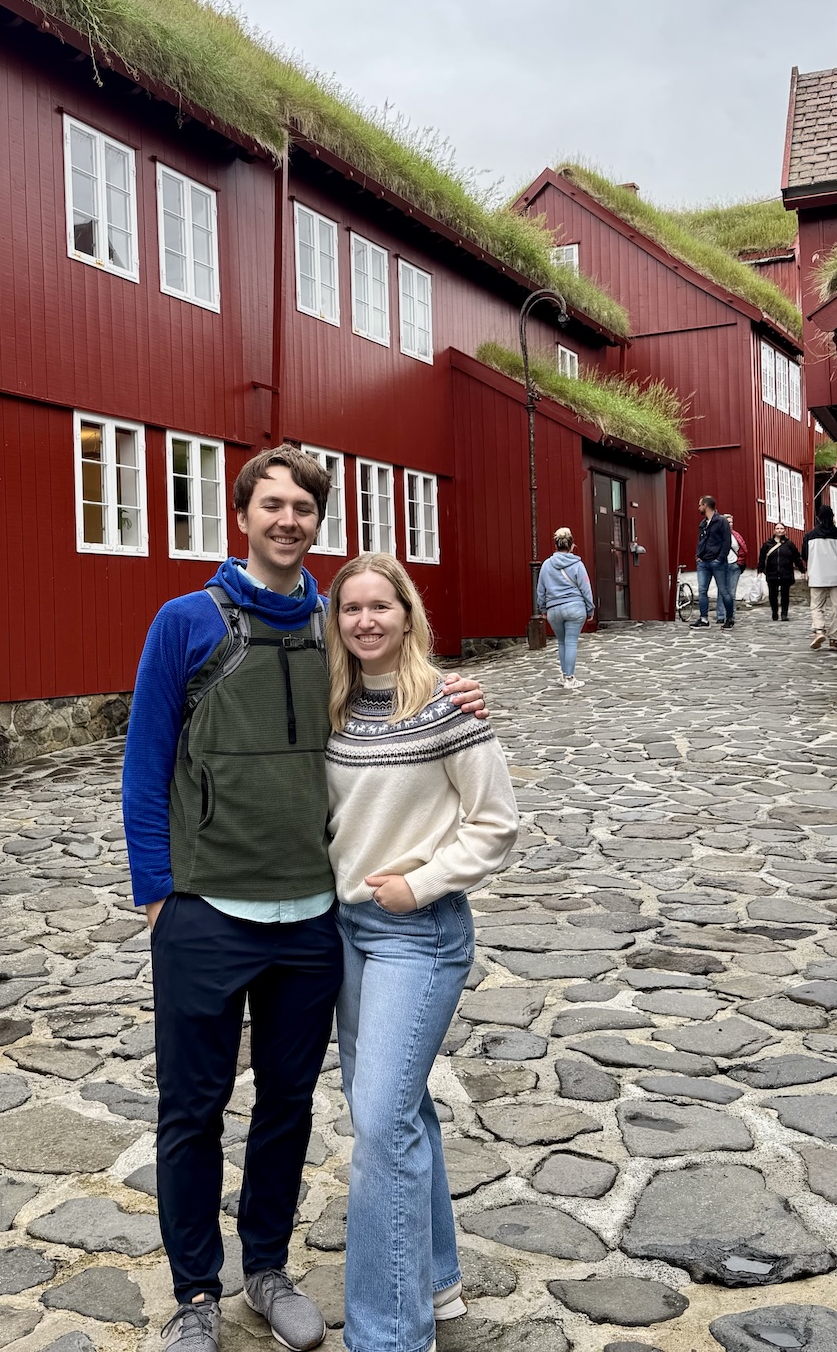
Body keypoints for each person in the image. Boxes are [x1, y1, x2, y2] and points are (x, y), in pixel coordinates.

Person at [121, 446, 487, 1352]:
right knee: (192, 1110)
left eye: (304, 509)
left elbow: (397, 678)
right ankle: (195, 1294)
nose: (288, 521)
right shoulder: (186, 622)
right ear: (242, 514)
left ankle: (267, 1270)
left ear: (317, 522)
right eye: (272, 505)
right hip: (205, 912)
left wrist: (455, 693)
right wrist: (159, 897)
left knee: (286, 1106)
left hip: (311, 920)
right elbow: (144, 761)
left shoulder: (332, 628)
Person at [324, 553, 519, 1352]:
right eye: (351, 608)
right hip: (346, 931)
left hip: (417, 932)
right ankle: (436, 1280)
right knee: (397, 1109)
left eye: (382, 606)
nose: (366, 620)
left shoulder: (448, 705)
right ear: (336, 621)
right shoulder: (333, 706)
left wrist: (424, 883)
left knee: (378, 1121)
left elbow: (496, 822)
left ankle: (389, 1337)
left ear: (408, 614)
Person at [534, 528, 594, 687]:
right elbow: (586, 588)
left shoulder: (546, 565)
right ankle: (570, 678)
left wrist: (543, 609)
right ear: (572, 545)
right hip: (575, 608)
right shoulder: (578, 565)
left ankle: (563, 675)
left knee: (561, 642)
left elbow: (540, 590)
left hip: (554, 610)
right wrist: (590, 609)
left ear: (556, 545)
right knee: (571, 642)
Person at [805, 506, 837, 651]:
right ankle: (834, 640)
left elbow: (805, 554)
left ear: (818, 518)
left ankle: (819, 630)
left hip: (817, 574)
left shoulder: (810, 535)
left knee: (816, 606)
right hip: (836, 574)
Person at [691, 496, 736, 629]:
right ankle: (703, 619)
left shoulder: (721, 521)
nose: (699, 508)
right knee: (702, 590)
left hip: (718, 562)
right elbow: (701, 541)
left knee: (723, 591)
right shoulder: (703, 523)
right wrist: (699, 555)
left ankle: (729, 618)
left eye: (700, 505)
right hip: (703, 562)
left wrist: (720, 558)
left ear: (705, 505)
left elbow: (726, 541)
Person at [757, 523, 802, 622]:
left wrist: (802, 569)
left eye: (781, 528)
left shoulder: (789, 544)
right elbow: (762, 558)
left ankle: (784, 614)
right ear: (774, 530)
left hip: (786, 573)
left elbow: (796, 557)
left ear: (785, 531)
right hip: (772, 573)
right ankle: (774, 612)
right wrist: (760, 570)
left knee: (785, 594)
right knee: (773, 595)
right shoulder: (767, 544)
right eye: (777, 528)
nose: (779, 530)